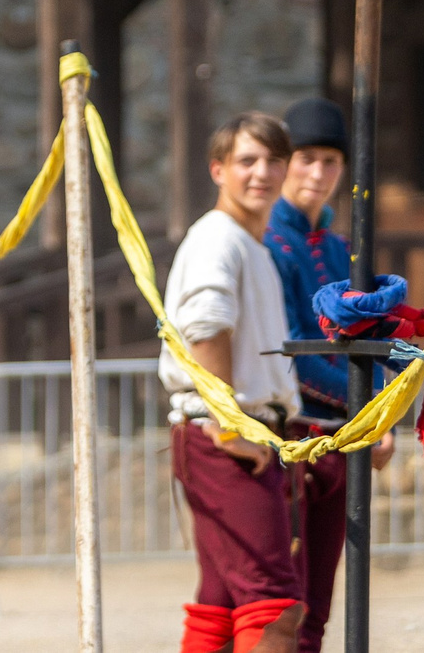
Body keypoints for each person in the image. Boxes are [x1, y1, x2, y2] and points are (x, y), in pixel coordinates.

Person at [160, 113, 302, 653]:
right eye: (247, 160)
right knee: (273, 604)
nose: (261, 172)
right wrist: (229, 428)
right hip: (222, 435)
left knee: (220, 603)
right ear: (219, 170)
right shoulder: (217, 237)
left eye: (272, 161)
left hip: (239, 433)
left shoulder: (251, 244)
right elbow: (206, 327)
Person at [264, 97, 390, 653]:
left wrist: (379, 411)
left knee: (317, 608)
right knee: (281, 606)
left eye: (330, 162)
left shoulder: (341, 249)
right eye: (306, 158)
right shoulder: (272, 244)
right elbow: (295, 353)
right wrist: (370, 412)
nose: (318, 173)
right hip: (294, 440)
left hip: (343, 439)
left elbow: (365, 346)